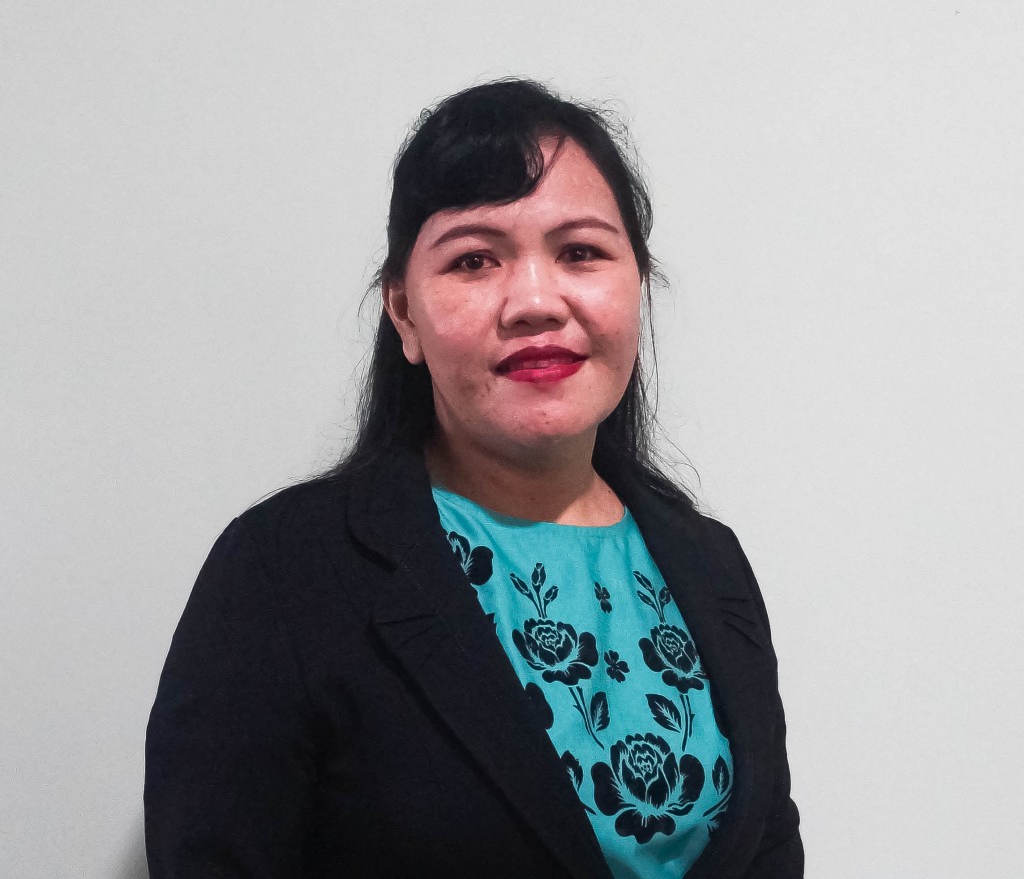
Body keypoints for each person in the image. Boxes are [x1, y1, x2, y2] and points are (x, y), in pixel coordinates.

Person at [145, 79, 803, 879]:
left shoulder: (712, 564)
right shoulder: (285, 569)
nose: (535, 302)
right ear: (403, 313)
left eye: (581, 252)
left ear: (638, 286)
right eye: (473, 260)